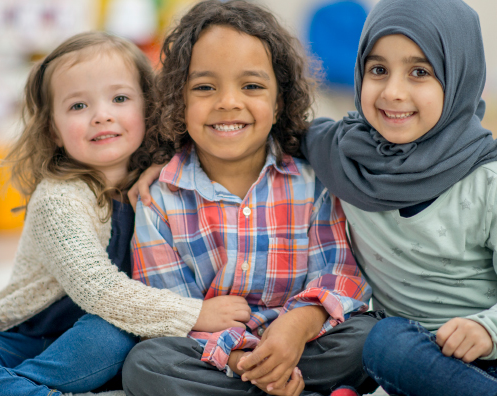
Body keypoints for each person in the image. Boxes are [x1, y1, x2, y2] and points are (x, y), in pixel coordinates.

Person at [132, 0, 497, 395]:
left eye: (420, 72)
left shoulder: (487, 178)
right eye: (377, 70)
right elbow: (252, 126)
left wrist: (490, 330)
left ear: (459, 79)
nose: (393, 92)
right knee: (380, 340)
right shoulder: (341, 154)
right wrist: (162, 156)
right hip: (401, 352)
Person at [0, 31, 250, 396]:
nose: (102, 116)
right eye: (78, 106)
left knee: (113, 333)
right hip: (28, 339)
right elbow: (97, 289)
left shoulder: (164, 177)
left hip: (102, 340)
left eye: (119, 98)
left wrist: (166, 165)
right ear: (53, 130)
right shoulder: (59, 197)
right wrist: (195, 314)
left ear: (148, 109)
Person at [121, 2, 379, 396]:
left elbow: (338, 275)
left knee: (370, 339)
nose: (228, 102)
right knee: (146, 365)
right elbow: (170, 313)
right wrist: (242, 360)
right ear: (180, 99)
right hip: (215, 357)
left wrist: (295, 329)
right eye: (205, 87)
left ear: (279, 102)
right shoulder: (159, 200)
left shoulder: (312, 181)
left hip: (304, 345)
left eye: (252, 86)